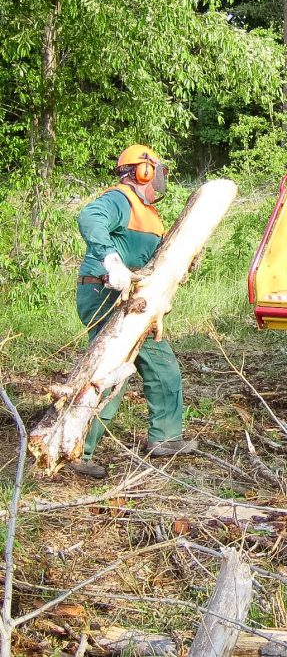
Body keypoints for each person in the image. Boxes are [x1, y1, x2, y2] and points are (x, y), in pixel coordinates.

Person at [70, 144, 197, 479]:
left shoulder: (148, 212)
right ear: (143, 170)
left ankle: (166, 438)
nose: (160, 178)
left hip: (138, 300)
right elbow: (89, 217)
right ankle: (74, 449)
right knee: (111, 372)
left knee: (162, 364)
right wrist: (111, 260)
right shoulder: (120, 198)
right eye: (157, 171)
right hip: (105, 292)